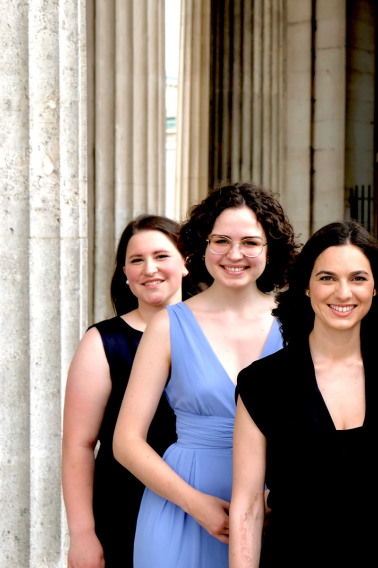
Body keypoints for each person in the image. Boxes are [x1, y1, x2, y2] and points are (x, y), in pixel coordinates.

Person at [114, 183, 299, 568]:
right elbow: (126, 442)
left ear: (270, 249)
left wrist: (275, 498)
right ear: (201, 245)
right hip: (182, 506)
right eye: (221, 240)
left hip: (278, 511)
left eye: (250, 242)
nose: (235, 254)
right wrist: (195, 504)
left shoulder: (298, 325)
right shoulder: (168, 325)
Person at [229, 221, 378, 568]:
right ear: (306, 287)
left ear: (374, 288)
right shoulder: (262, 383)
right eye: (327, 278)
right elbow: (247, 505)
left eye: (357, 278)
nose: (343, 293)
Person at [62, 215, 186, 568]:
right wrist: (83, 535)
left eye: (162, 256)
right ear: (126, 275)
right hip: (123, 509)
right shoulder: (102, 342)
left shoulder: (214, 335)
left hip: (207, 503)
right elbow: (78, 444)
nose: (150, 268)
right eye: (136, 260)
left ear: (186, 263)